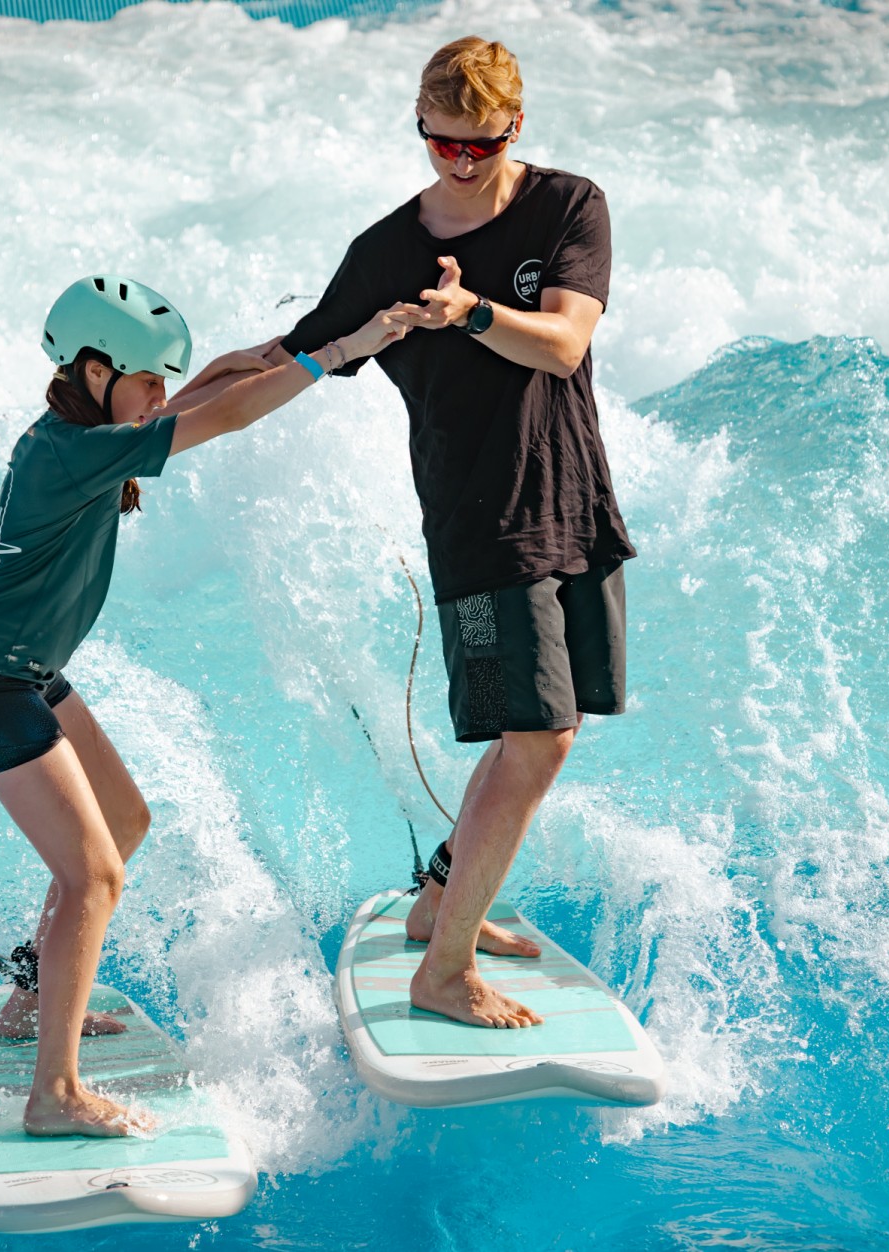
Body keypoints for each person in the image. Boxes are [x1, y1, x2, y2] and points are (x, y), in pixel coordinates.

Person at [0, 275, 405, 1135]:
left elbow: (198, 400)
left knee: (124, 823)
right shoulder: (70, 452)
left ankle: (30, 1003)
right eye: (147, 378)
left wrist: (262, 356)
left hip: (24, 672)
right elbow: (223, 418)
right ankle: (54, 1095)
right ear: (96, 370)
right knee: (94, 875)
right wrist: (340, 353)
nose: (158, 394)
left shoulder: (85, 433)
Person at [269, 37, 634, 1029]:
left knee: (546, 736)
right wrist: (158, 420)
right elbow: (291, 355)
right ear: (420, 127)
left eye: (480, 144)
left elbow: (563, 344)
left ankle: (440, 900)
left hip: (573, 502)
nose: (460, 162)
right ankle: (444, 969)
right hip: (482, 524)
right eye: (441, 143)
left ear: (515, 126)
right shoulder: (387, 251)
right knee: (537, 739)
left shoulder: (569, 206)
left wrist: (471, 312)